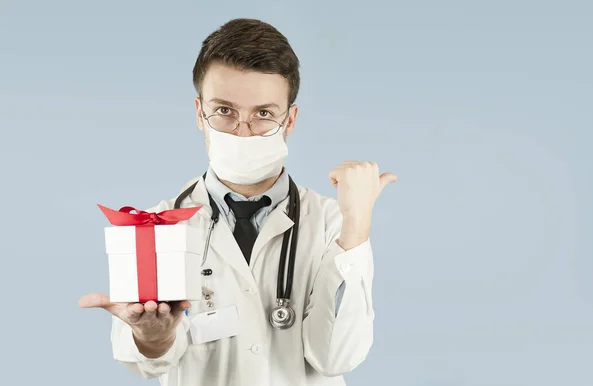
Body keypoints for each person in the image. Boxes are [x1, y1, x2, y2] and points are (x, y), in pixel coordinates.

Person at [79, 18, 396, 386]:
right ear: (200, 113)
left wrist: (356, 223)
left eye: (263, 114)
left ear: (289, 119)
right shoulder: (154, 227)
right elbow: (147, 362)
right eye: (225, 111)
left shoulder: (334, 223)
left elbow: (337, 356)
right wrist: (154, 336)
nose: (243, 132)